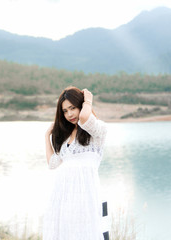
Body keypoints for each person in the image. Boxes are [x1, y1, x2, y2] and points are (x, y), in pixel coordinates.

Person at [43, 86, 108, 240]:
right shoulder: (66, 138)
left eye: (73, 108)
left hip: (85, 195)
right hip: (63, 197)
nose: (69, 114)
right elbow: (53, 163)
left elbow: (85, 118)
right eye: (65, 111)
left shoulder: (97, 130)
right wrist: (47, 136)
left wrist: (88, 99)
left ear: (82, 105)